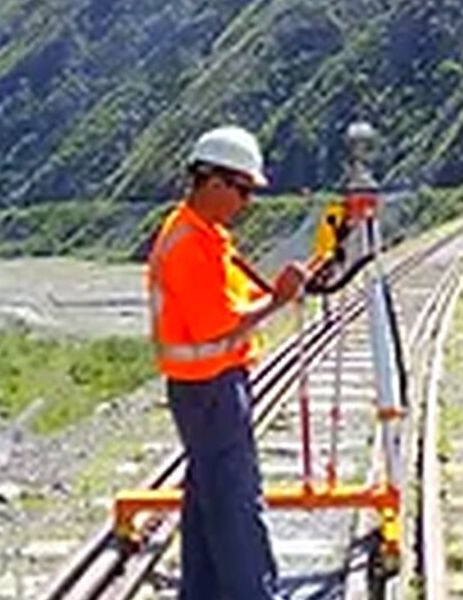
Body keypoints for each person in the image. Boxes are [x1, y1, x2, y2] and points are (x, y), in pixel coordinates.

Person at [147, 125, 306, 600]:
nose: (246, 202)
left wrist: (276, 294)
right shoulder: (189, 244)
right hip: (209, 388)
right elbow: (218, 326)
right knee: (235, 503)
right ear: (213, 181)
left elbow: (233, 302)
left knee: (207, 501)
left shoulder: (204, 235)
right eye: (242, 189)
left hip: (205, 385)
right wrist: (278, 301)